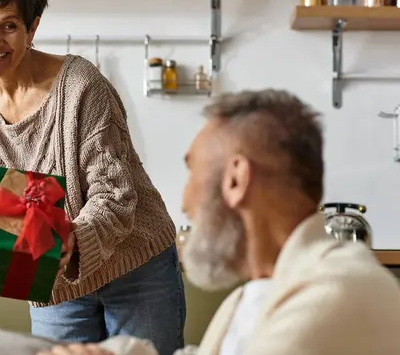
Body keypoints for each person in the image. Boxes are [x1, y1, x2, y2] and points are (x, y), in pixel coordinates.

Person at [42, 88, 400, 355]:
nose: (184, 202)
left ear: (235, 180)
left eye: (192, 172)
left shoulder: (333, 293)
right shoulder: (260, 292)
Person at [0, 0, 185, 355]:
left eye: (9, 25)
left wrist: (71, 241)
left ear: (32, 28)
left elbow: (115, 194)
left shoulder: (80, 87)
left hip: (135, 266)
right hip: (55, 283)